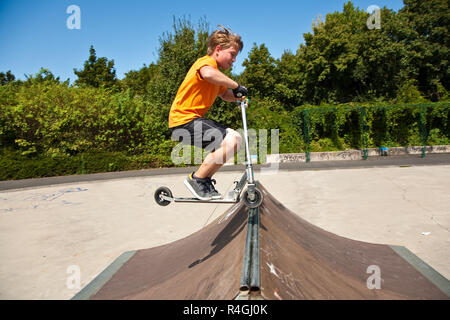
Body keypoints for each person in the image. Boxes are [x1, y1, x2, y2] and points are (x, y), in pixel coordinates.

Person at [168, 25, 247, 200]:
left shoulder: (216, 74)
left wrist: (238, 97)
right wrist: (235, 85)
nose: (234, 60)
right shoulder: (206, 63)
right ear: (218, 49)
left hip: (190, 121)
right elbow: (207, 74)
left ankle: (203, 181)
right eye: (232, 54)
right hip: (183, 120)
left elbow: (224, 94)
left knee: (234, 140)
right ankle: (197, 179)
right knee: (232, 139)